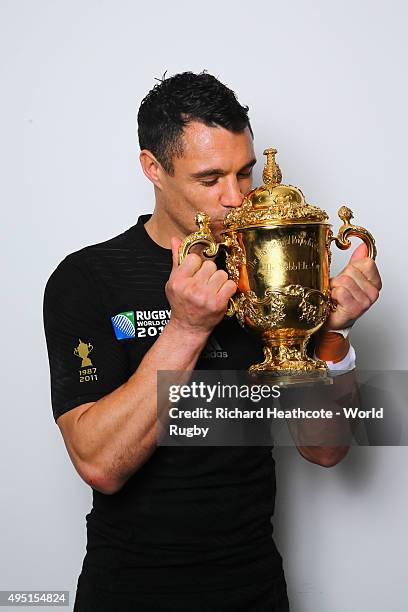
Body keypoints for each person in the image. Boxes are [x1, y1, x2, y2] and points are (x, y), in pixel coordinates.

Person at [43, 71, 382, 611]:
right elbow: (99, 465)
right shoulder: (88, 277)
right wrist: (186, 327)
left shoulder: (269, 270)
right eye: (209, 179)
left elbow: (326, 448)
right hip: (128, 593)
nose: (235, 199)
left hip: (254, 589)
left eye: (244, 173)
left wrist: (332, 337)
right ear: (152, 168)